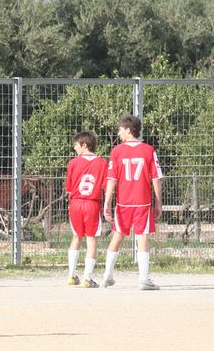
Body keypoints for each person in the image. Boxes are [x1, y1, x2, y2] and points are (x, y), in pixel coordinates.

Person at [102, 115, 163, 290]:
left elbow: (112, 179)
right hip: (142, 202)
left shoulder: (117, 151)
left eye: (120, 129)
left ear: (128, 130)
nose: (118, 133)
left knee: (117, 236)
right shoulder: (148, 150)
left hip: (124, 203)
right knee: (142, 237)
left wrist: (107, 202)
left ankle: (107, 276)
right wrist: (158, 202)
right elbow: (156, 178)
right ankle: (143, 279)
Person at [65, 131, 108, 288]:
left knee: (76, 237)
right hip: (92, 204)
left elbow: (69, 188)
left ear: (84, 145)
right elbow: (106, 186)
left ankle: (71, 276)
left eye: (76, 145)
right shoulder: (102, 163)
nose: (74, 148)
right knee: (91, 240)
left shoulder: (73, 163)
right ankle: (87, 279)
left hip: (76, 203)